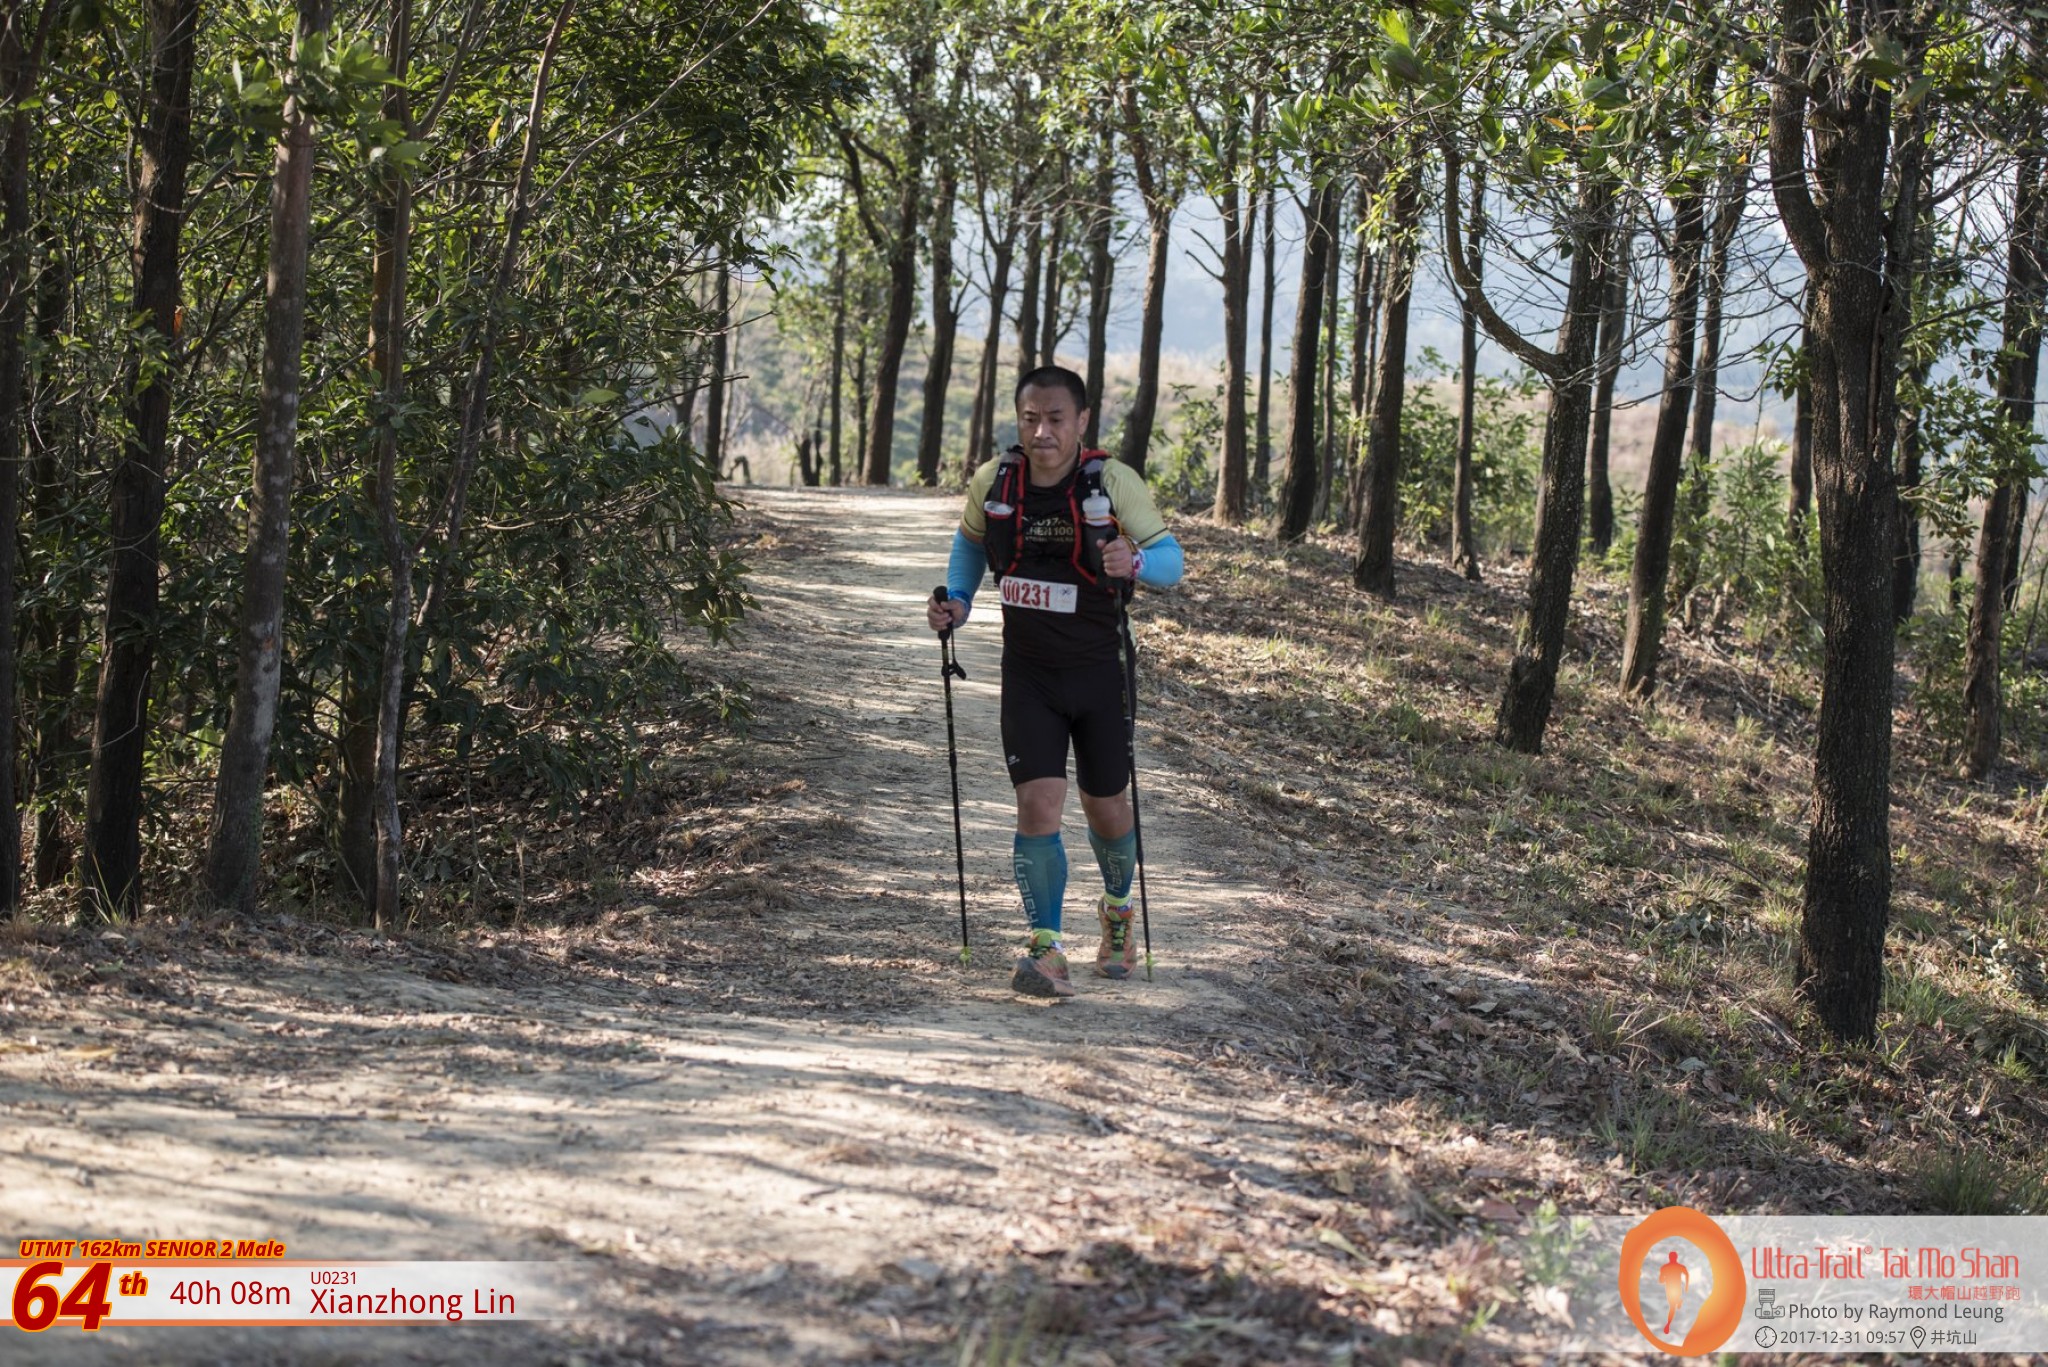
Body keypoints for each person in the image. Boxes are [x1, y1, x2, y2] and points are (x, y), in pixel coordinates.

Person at [925, 365, 1184, 998]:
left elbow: (1172, 562)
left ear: (1082, 420)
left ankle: (1117, 911)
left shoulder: (1112, 482)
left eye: (1056, 419)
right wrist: (957, 600)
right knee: (1038, 804)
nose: (1042, 432)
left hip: (1101, 672)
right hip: (1029, 673)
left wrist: (1136, 559)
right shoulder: (996, 481)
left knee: (1107, 805)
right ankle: (1047, 948)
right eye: (1030, 419)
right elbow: (970, 546)